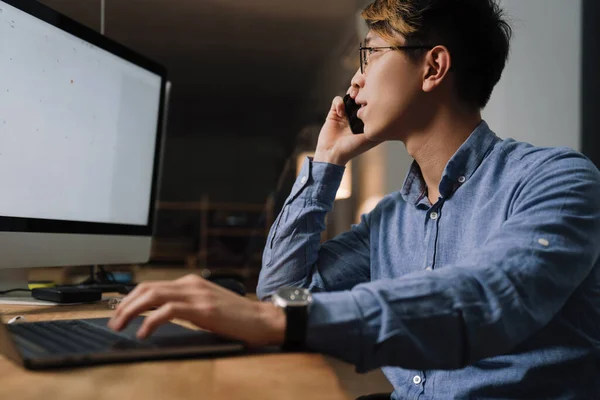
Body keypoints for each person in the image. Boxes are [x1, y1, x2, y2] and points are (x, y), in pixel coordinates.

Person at [109, 0, 600, 398]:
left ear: (433, 66)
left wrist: (276, 319)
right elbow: (280, 290)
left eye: (369, 55)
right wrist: (325, 162)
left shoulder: (559, 180)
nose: (355, 81)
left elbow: (494, 295)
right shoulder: (388, 220)